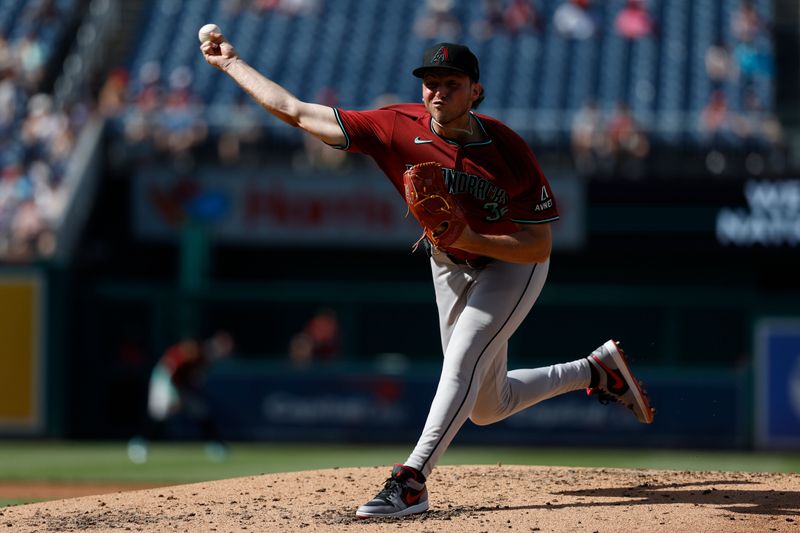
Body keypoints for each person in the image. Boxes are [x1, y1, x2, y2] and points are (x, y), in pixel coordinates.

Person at [200, 34, 654, 519]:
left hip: (512, 264)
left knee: (461, 359)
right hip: (448, 264)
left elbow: (539, 243)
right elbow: (295, 110)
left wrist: (469, 237)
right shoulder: (396, 127)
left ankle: (411, 482)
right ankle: (594, 371)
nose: (438, 93)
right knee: (486, 405)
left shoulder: (508, 150)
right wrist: (232, 65)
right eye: (430, 83)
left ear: (475, 91)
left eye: (451, 84)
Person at [127, 330, 234, 464]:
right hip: (163, 383)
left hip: (182, 386)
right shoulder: (177, 355)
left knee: (201, 411)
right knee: (160, 415)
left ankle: (217, 445)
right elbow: (168, 376)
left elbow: (195, 376)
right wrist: (174, 397)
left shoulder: (202, 355)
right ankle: (139, 443)